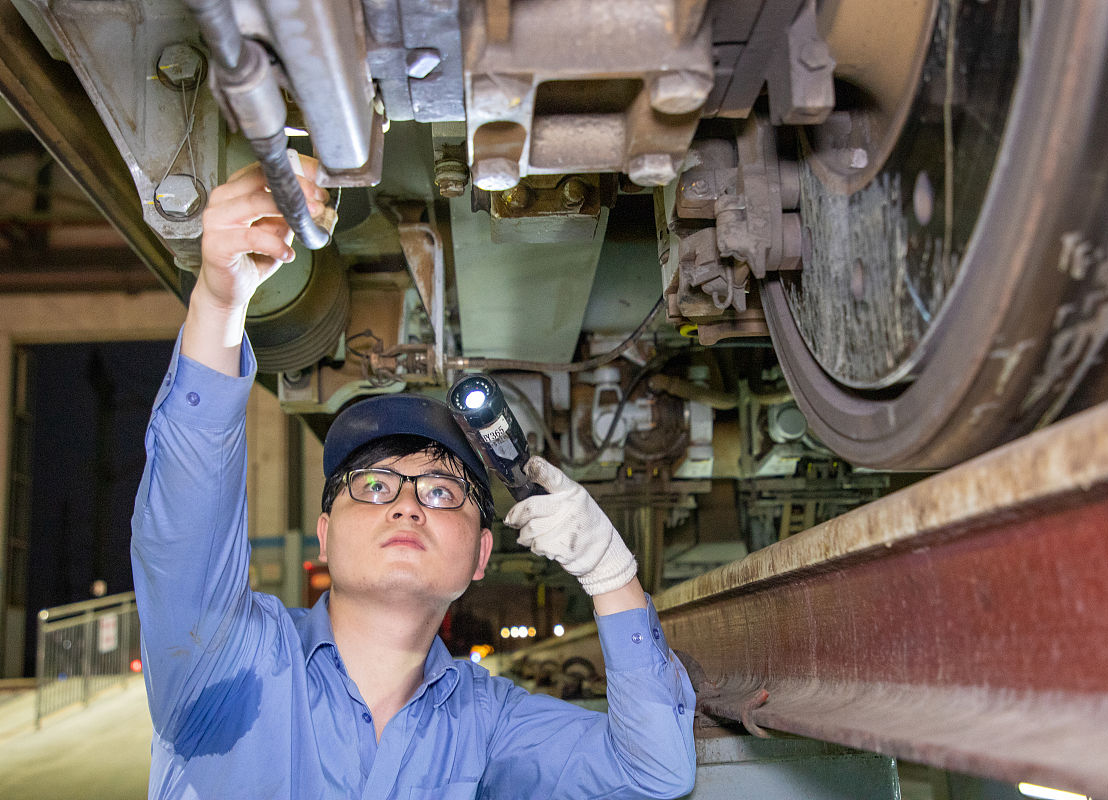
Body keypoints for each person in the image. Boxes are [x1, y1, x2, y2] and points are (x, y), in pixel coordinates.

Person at [130, 158, 697, 799]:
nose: (406, 505)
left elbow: (654, 772)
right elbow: (186, 512)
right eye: (373, 486)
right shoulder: (227, 660)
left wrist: (609, 573)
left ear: (482, 553)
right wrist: (218, 303)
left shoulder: (486, 724)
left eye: (442, 492)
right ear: (324, 534)